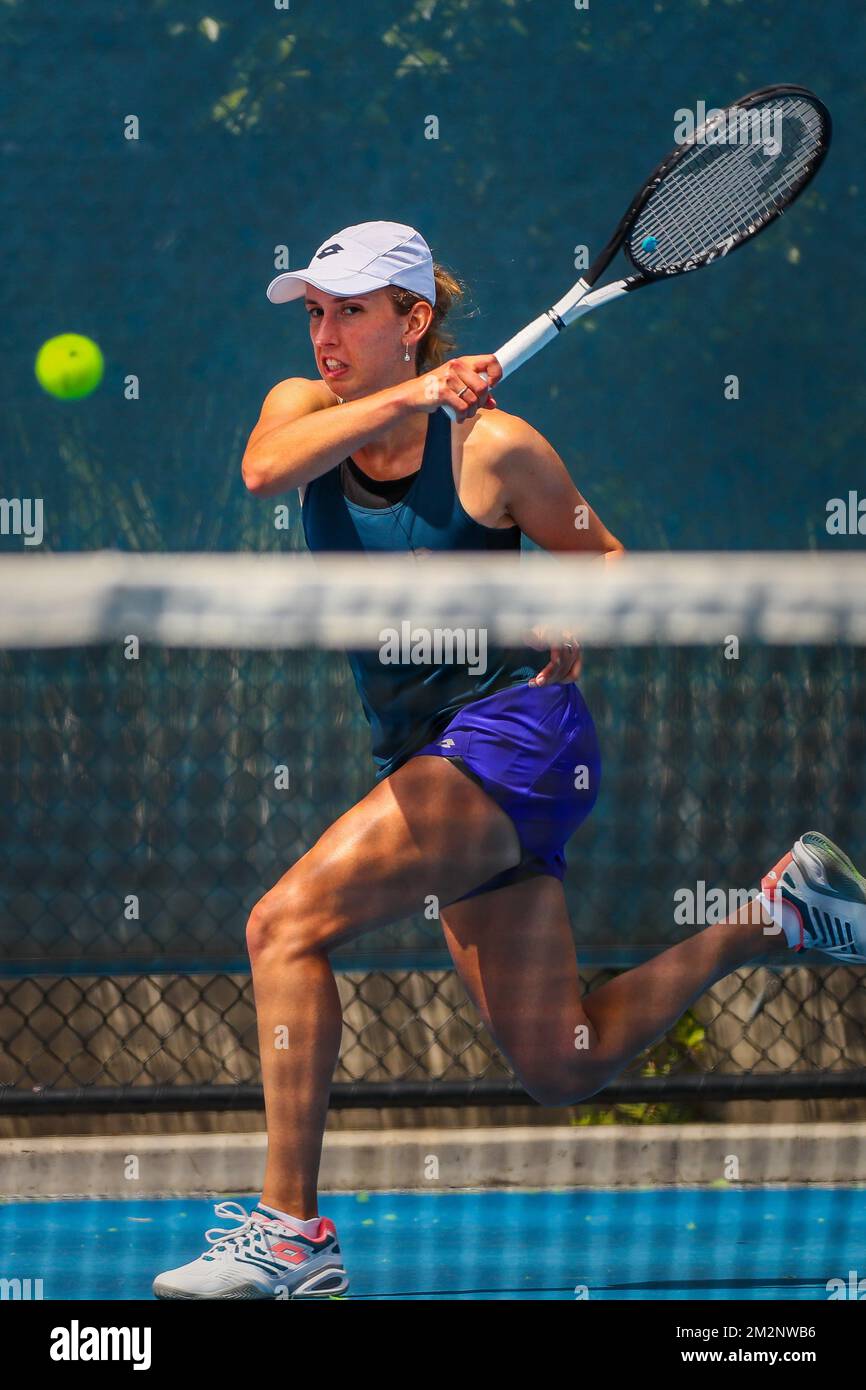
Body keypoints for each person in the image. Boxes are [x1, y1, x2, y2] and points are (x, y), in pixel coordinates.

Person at [153, 222, 866, 1300]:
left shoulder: (497, 449)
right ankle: (772, 910)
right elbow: (261, 472)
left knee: (281, 925)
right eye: (315, 310)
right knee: (563, 1062)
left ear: (413, 319)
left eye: (352, 310)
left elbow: (607, 562)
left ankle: (290, 1233)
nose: (325, 332)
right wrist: (409, 396)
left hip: (512, 737)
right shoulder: (301, 412)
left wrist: (565, 602)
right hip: (423, 755)